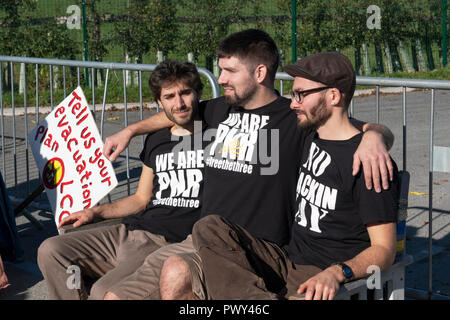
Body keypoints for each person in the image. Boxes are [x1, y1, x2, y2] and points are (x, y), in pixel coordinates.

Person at [102, 29, 394, 301]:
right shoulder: (220, 111)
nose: (221, 78)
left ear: (259, 73)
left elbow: (342, 126)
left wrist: (374, 136)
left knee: (177, 270)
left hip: (271, 253)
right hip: (225, 243)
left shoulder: (301, 125)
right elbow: (177, 114)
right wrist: (130, 131)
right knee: (126, 287)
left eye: (229, 71)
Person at [189, 52, 399, 300]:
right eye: (293, 94)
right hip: (286, 261)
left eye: (301, 94)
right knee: (209, 226)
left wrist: (337, 272)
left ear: (333, 95)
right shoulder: (309, 136)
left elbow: (385, 250)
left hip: (321, 278)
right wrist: (375, 134)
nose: (292, 103)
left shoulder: (367, 163)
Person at [37, 60, 206, 300]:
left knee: (101, 292)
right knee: (51, 250)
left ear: (198, 93)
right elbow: (140, 198)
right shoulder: (157, 139)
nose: (178, 103)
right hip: (130, 230)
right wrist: (94, 213)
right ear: (159, 102)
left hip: (166, 242)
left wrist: (131, 130)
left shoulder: (214, 129)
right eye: (169, 96)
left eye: (185, 93)